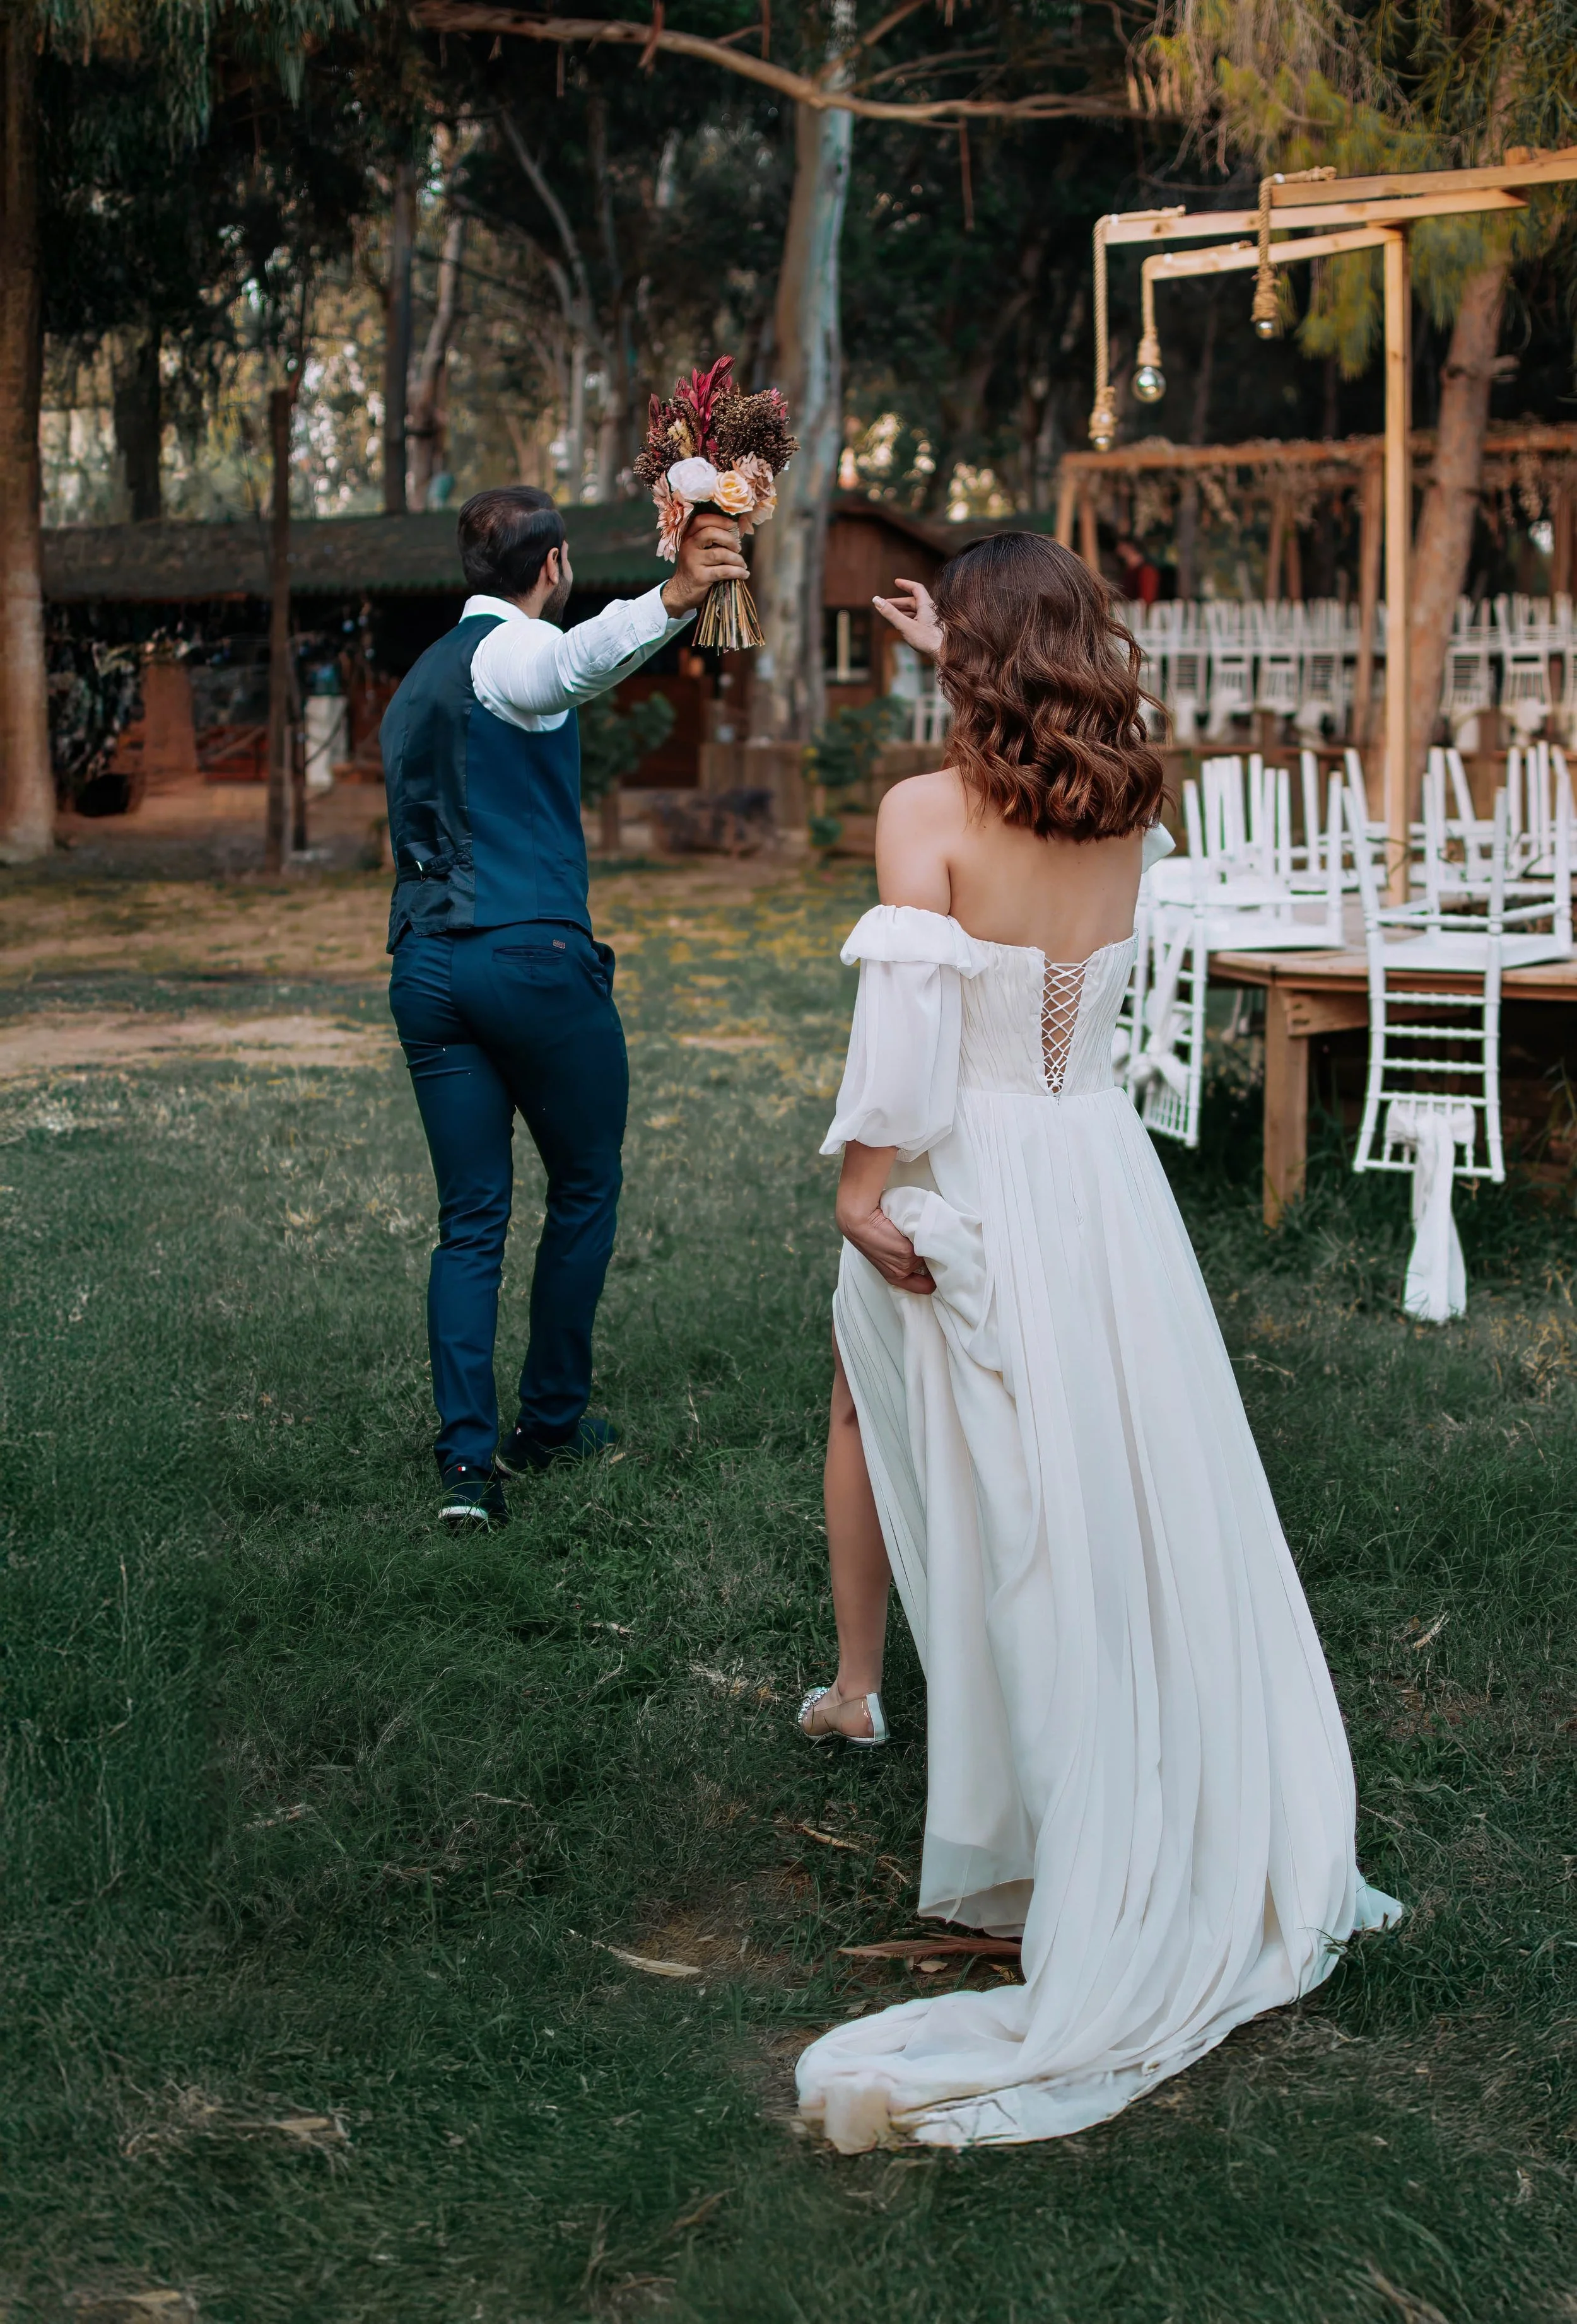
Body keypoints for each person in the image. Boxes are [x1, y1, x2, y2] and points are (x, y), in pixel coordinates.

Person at [795, 534, 1399, 2151]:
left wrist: (865, 1189)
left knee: (1014, 1494)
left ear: (970, 660)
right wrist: (962, 654)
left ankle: (1027, 1802)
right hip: (1102, 1172)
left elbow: (909, 1029)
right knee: (1116, 1476)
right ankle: (1111, 1772)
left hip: (982, 1167)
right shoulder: (1129, 797)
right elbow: (1020, 823)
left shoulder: (925, 813)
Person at [382, 486, 749, 1530]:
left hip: (426, 973)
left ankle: (464, 1467)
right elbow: (572, 664)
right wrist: (675, 595)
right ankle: (546, 1423)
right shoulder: (512, 656)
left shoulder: (417, 682)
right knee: (585, 1184)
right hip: (529, 960)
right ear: (553, 566)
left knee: (470, 1223)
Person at [1114, 534, 1162, 605]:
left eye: (1122, 548)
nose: (1118, 551)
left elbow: (1145, 601)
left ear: (1131, 548)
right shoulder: (1129, 572)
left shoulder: (1146, 571)